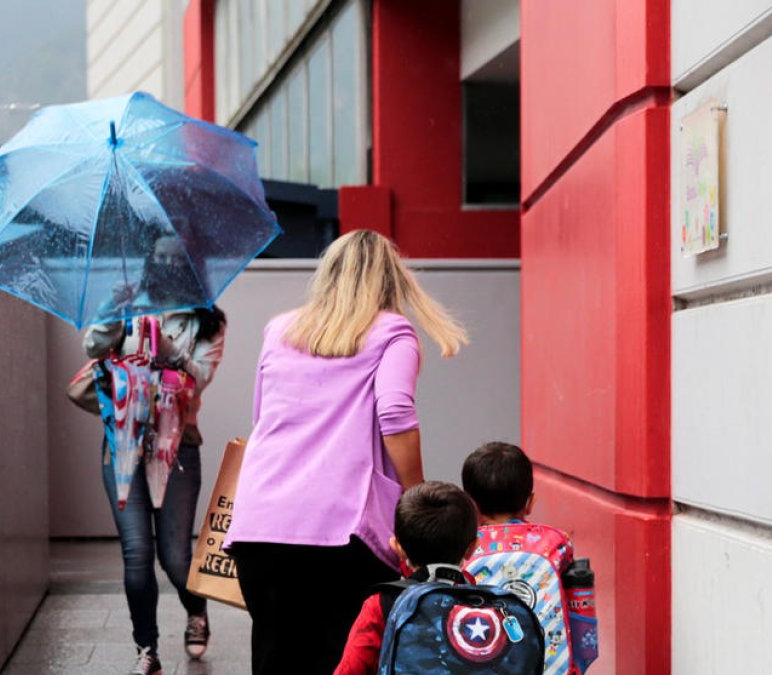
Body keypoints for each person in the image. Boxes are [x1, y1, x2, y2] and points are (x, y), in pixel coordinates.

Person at [224, 229, 468, 674]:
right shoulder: (393, 331)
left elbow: (262, 418)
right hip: (340, 532)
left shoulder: (279, 329)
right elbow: (394, 412)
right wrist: (416, 497)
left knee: (276, 657)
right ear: (390, 280)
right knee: (341, 659)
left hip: (259, 526)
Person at [83, 235, 227, 675]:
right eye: (158, 257)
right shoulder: (130, 302)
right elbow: (93, 347)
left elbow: (199, 378)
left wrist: (167, 351)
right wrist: (113, 309)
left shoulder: (206, 321)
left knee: (176, 556)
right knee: (136, 551)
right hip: (122, 444)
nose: (165, 264)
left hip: (178, 447)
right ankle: (147, 649)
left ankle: (195, 608)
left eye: (174, 259)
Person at [461, 442, 597, 674]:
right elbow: (580, 609)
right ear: (530, 502)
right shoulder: (556, 543)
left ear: (472, 506)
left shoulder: (465, 547)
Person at [334, 481, 480, 674]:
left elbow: (350, 670)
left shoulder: (383, 603)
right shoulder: (485, 602)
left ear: (397, 548)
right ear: (473, 547)